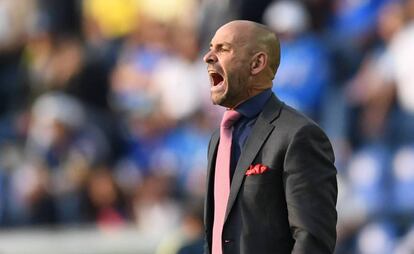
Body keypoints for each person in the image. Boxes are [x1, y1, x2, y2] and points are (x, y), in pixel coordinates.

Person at [203, 20, 337, 254]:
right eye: (211, 47)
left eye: (223, 49)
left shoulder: (299, 135)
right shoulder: (218, 138)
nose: (208, 57)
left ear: (257, 63)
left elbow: (312, 240)